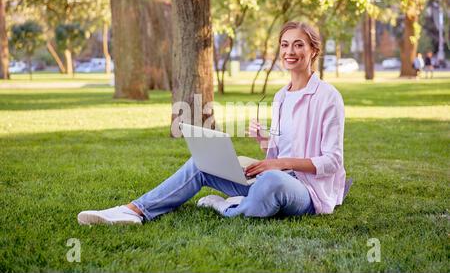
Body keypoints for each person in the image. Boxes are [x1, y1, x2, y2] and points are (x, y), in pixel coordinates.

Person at [77, 21, 349, 225]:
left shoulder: (328, 97)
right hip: (276, 176)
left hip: (307, 191)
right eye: (285, 44)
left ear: (314, 50)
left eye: (299, 44)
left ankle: (226, 207)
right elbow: (278, 152)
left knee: (273, 183)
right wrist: (266, 141)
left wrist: (278, 164)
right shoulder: (281, 96)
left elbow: (332, 161)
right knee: (202, 164)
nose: (290, 51)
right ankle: (136, 210)